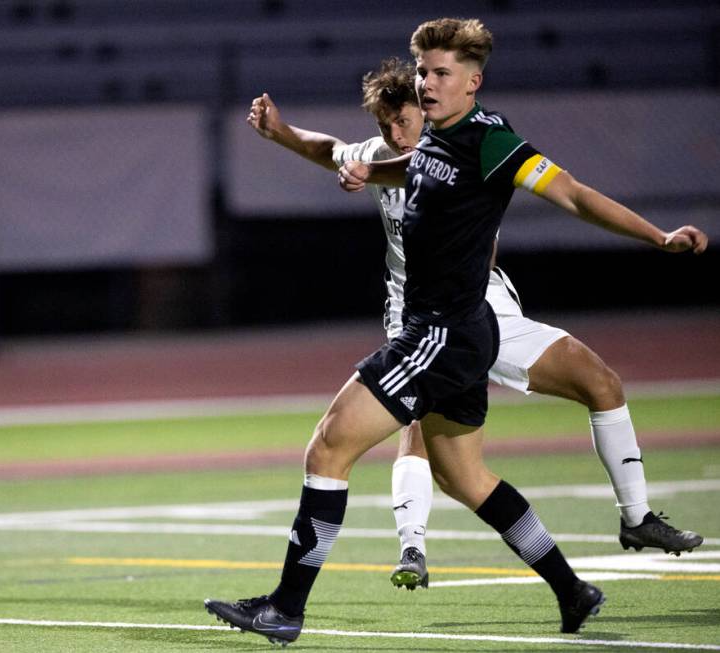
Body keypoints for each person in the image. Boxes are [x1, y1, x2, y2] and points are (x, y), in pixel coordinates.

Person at [204, 18, 708, 646]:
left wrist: (656, 236)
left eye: (440, 73)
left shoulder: (490, 141)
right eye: (423, 71)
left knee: (328, 447)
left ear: (474, 82)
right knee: (465, 478)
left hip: (444, 334)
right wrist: (337, 159)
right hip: (460, 334)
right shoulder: (434, 142)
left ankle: (285, 608)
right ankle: (572, 591)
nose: (427, 83)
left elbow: (573, 196)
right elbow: (391, 166)